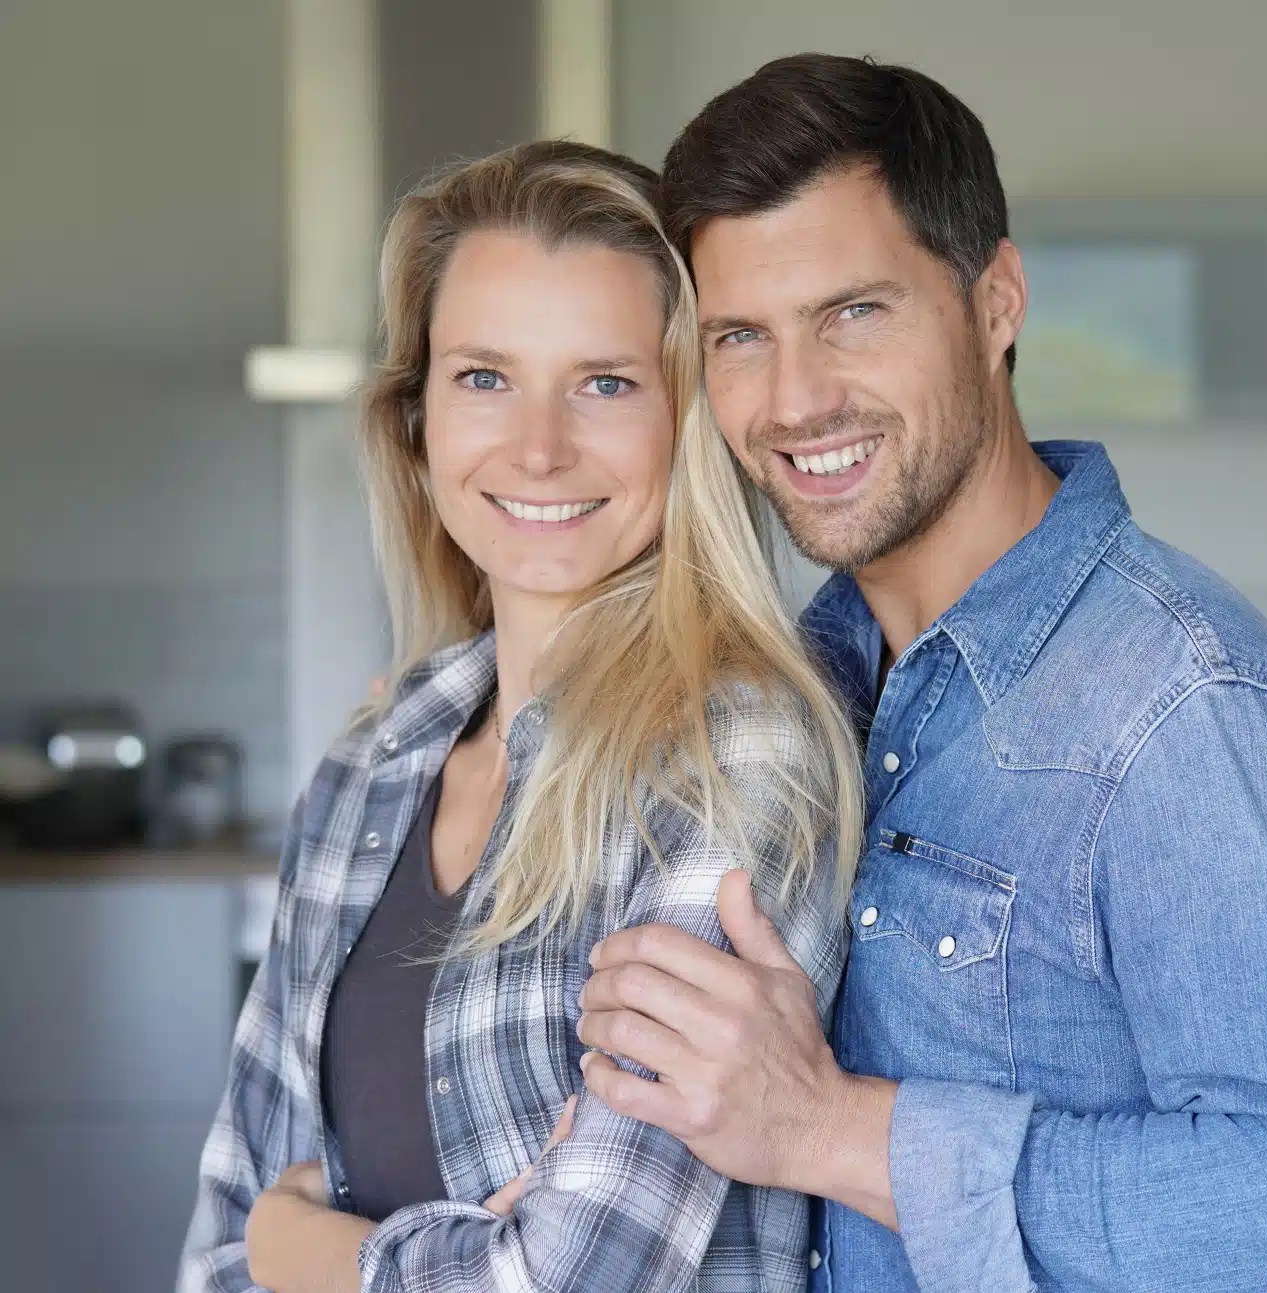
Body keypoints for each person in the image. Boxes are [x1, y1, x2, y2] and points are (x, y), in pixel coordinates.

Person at [575, 54, 1267, 1293]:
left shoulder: (1189, 711)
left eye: (855, 313)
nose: (796, 400)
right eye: (742, 338)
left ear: (997, 301)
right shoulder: (797, 688)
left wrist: (828, 1128)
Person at [178, 140, 861, 1293]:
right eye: (484, 377)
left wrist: (313, 1257)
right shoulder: (374, 763)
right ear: (417, 418)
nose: (538, 449)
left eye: (605, 383)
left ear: (685, 421)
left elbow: (581, 1278)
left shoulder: (733, 756)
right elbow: (224, 1239)